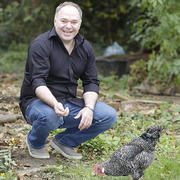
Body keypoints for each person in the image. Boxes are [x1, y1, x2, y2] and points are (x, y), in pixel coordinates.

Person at [19, 1, 117, 160]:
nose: (68, 26)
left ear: (80, 23)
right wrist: (54, 104)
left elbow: (91, 82)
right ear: (55, 21)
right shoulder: (41, 45)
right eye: (64, 21)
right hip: (37, 103)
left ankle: (64, 142)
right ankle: (35, 143)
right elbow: (37, 82)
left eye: (74, 22)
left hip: (68, 103)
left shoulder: (85, 48)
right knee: (49, 115)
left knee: (108, 115)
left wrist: (89, 108)